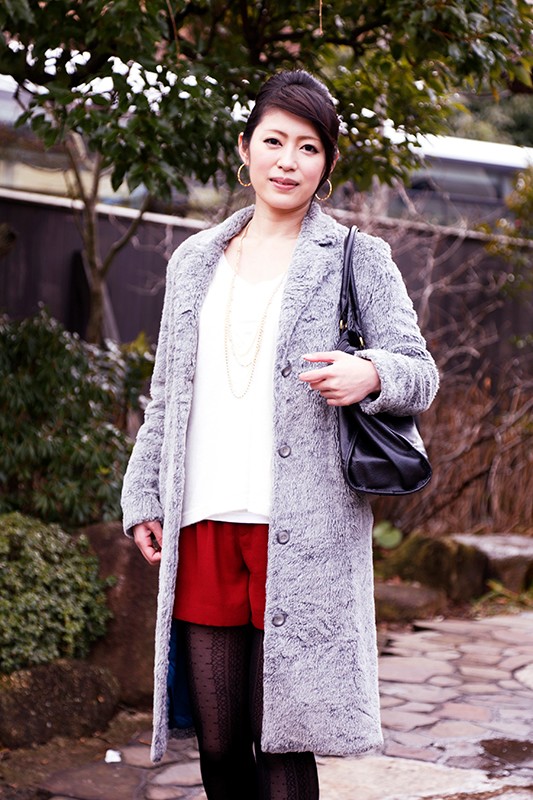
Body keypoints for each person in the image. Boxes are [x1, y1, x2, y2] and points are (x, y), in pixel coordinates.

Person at [121, 69, 439, 800]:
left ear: (328, 162)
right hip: (203, 520)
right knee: (219, 741)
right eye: (273, 141)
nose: (287, 161)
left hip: (301, 531)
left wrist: (371, 373)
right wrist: (143, 494)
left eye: (307, 147)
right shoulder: (194, 260)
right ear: (245, 149)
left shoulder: (357, 257)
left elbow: (419, 372)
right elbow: (166, 395)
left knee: (284, 742)